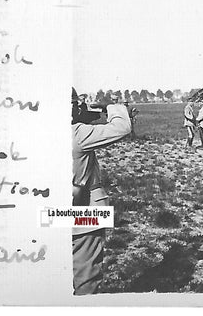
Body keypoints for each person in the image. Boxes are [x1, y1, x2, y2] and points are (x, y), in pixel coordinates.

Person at [72, 87, 131, 295]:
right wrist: (113, 107)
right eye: (76, 103)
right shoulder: (77, 133)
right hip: (85, 211)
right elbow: (122, 127)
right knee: (86, 278)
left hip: (52, 211)